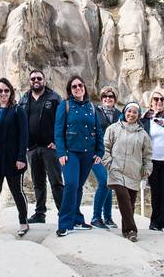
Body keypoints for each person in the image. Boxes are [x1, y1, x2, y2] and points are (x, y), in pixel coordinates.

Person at [54, 75, 104, 237]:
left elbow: (98, 130)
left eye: (80, 85)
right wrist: (61, 152)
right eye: (74, 86)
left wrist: (100, 151)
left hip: (88, 153)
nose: (78, 88)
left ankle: (77, 219)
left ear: (84, 87)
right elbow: (58, 131)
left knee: (79, 186)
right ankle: (65, 223)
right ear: (70, 90)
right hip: (71, 153)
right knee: (71, 185)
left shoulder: (91, 107)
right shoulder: (65, 105)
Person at [0, 78, 30, 236]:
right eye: (0, 91)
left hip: (12, 156)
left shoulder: (18, 110)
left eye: (6, 90)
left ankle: (23, 222)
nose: (3, 93)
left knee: (16, 191)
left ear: (11, 92)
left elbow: (24, 135)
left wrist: (21, 157)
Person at [18, 69, 64, 223]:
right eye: (33, 79)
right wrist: (23, 144)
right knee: (38, 182)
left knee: (56, 181)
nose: (36, 81)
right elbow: (19, 124)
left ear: (44, 80)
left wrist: (57, 141)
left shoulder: (54, 98)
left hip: (49, 147)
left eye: (39, 78)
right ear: (30, 81)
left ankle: (64, 213)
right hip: (31, 148)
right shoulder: (24, 99)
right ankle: (40, 214)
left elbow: (62, 121)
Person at [103, 102, 152, 242]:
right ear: (124, 112)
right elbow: (105, 147)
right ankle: (132, 229)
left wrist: (147, 169)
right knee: (122, 196)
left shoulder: (143, 134)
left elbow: (147, 155)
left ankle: (126, 231)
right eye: (129, 111)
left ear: (138, 115)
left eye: (135, 112)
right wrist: (109, 163)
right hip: (116, 170)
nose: (131, 114)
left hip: (134, 172)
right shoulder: (113, 128)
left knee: (130, 203)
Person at [141, 90, 164, 235]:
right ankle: (155, 222)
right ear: (151, 102)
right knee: (155, 191)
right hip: (152, 160)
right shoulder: (145, 119)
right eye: (156, 99)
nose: (159, 102)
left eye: (162, 99)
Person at [90, 86, 122, 229]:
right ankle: (96, 217)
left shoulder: (119, 115)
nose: (107, 99)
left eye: (111, 96)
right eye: (105, 96)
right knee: (104, 181)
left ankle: (108, 217)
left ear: (115, 99)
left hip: (113, 154)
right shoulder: (94, 111)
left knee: (109, 183)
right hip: (96, 153)